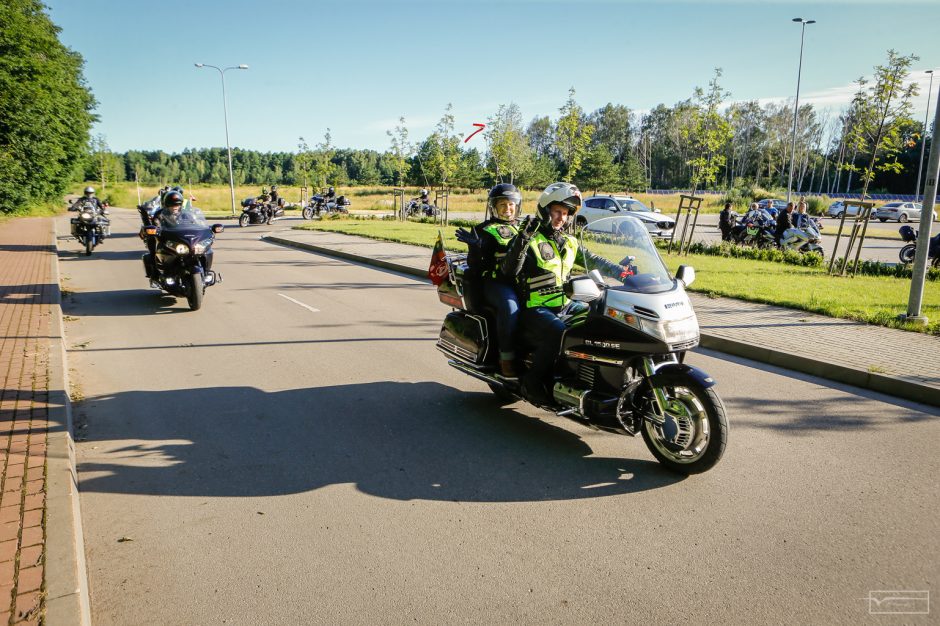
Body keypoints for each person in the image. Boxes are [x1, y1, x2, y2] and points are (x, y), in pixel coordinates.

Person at [501, 182, 630, 405]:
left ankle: (584, 378)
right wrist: (522, 239)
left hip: (566, 304)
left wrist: (625, 274)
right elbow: (509, 269)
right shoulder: (529, 238)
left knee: (602, 319)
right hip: (536, 307)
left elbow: (595, 260)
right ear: (545, 211)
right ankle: (532, 381)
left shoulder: (569, 242)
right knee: (559, 332)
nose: (562, 217)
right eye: (557, 212)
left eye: (566, 213)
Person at [455, 183, 523, 378]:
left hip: (522, 281)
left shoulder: (524, 227)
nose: (507, 209)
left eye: (510, 204)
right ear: (493, 207)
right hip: (496, 283)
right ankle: (506, 358)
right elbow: (474, 265)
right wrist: (475, 248)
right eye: (502, 205)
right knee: (510, 308)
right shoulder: (484, 229)